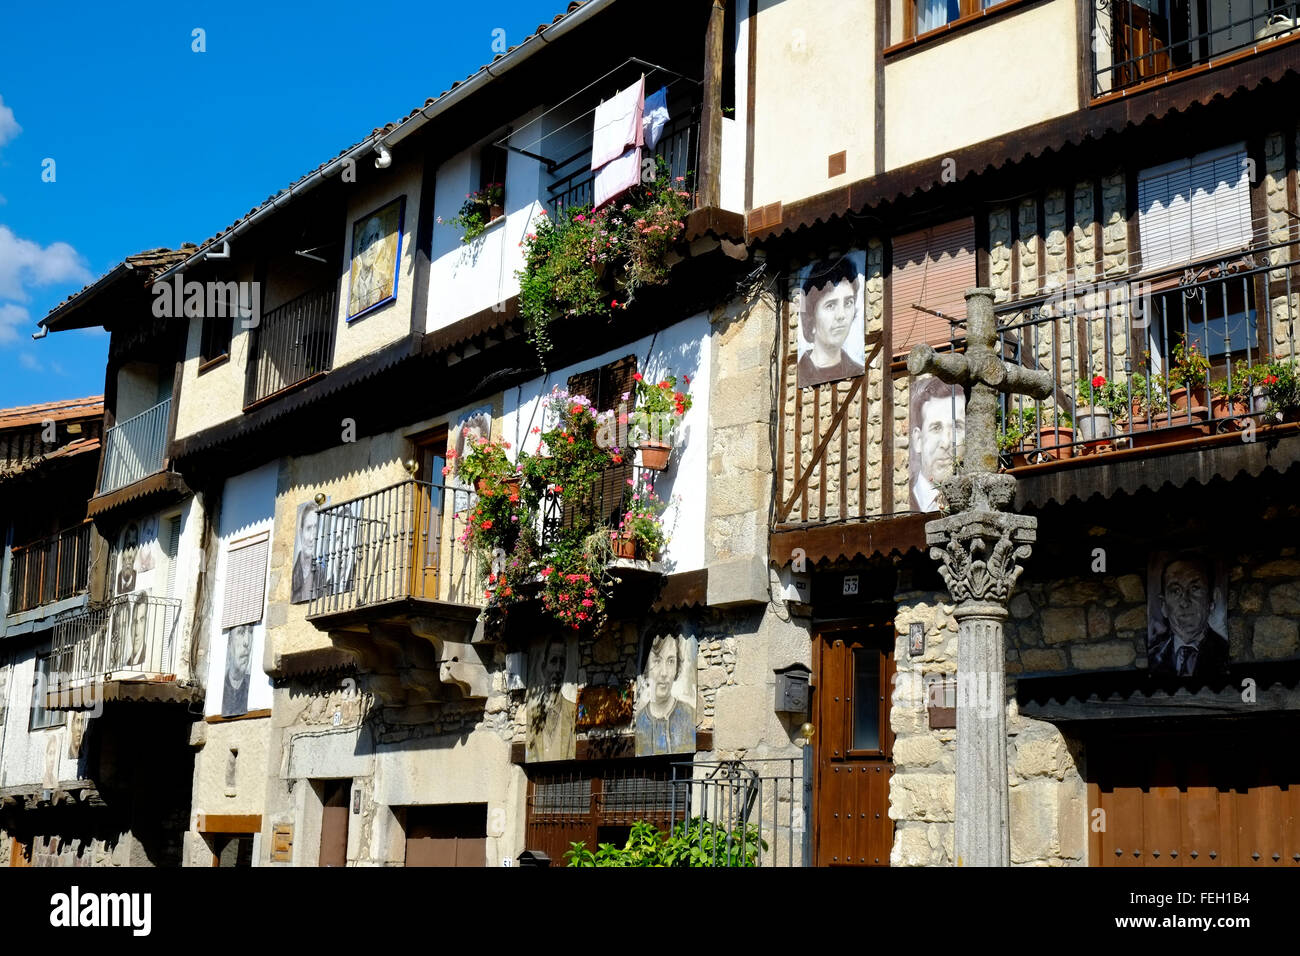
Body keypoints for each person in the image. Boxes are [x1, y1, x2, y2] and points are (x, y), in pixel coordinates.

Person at [1148, 554, 1229, 678]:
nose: (1184, 602)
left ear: (1212, 600)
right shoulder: (1153, 657)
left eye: (1195, 588)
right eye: (1175, 591)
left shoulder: (1226, 654)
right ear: (1163, 605)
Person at [796, 258, 865, 388]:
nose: (841, 316)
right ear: (811, 316)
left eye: (848, 303)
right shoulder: (801, 373)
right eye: (831, 305)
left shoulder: (856, 369)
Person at [909, 374, 966, 513]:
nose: (946, 443)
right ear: (918, 439)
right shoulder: (905, 502)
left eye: (956, 426)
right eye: (936, 428)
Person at [635, 634, 696, 756]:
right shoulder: (640, 720)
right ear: (646, 668)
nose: (664, 673)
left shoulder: (688, 715)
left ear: (677, 668)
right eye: (657, 661)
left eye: (671, 661)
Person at [526, 637, 575, 762]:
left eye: (562, 663)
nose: (558, 669)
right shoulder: (531, 714)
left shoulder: (573, 712)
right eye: (553, 661)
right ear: (543, 667)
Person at [350, 213, 392, 314]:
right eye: (369, 241)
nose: (373, 247)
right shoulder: (352, 291)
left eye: (376, 239)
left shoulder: (383, 280)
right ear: (360, 249)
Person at [290, 503, 323, 604]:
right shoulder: (293, 575)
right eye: (308, 528)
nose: (312, 538)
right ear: (300, 533)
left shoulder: (321, 574)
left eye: (315, 528)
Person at [222, 625, 254, 718]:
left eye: (251, 632)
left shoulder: (251, 685)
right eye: (241, 632)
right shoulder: (220, 685)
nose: (247, 642)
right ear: (229, 642)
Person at [115, 522, 139, 595]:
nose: (130, 555)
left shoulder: (135, 575)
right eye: (128, 546)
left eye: (133, 545)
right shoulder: (119, 577)